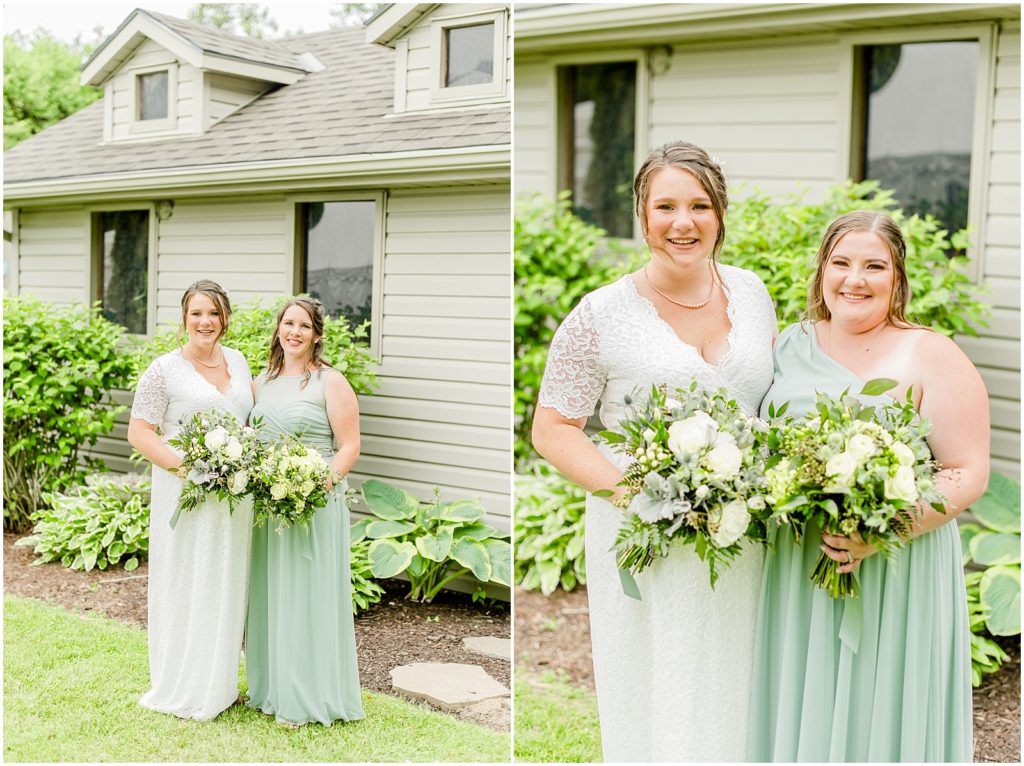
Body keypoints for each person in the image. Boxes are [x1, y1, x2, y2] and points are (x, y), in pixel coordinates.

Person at [532, 141, 777, 761]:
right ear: (641, 216)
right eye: (664, 206)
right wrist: (641, 495)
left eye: (699, 205)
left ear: (720, 215)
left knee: (743, 668)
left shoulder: (752, 292)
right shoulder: (599, 315)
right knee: (662, 672)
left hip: (748, 531)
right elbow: (554, 428)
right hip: (647, 531)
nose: (682, 222)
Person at [747, 210, 989, 762]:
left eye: (874, 266)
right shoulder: (789, 344)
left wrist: (880, 532)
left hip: (896, 565)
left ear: (897, 279)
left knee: (882, 713)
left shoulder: (931, 353)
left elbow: (966, 472)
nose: (854, 279)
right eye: (841, 263)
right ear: (822, 271)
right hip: (800, 562)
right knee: (805, 703)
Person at [127, 279, 254, 720]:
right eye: (197, 313)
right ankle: (183, 683)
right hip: (185, 492)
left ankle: (218, 683)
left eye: (214, 313)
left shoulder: (238, 362)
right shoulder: (162, 370)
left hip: (234, 496)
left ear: (226, 320)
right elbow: (140, 432)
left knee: (225, 578)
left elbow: (246, 423)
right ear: (184, 318)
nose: (206, 322)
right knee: (188, 579)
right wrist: (189, 470)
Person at [244, 297, 365, 727]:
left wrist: (311, 487)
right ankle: (271, 688)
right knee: (273, 594)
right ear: (278, 330)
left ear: (316, 334)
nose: (294, 332)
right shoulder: (261, 383)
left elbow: (348, 447)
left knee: (306, 596)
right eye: (287, 323)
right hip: (268, 507)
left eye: (303, 325)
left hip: (314, 505)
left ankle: (306, 695)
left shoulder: (330, 382)